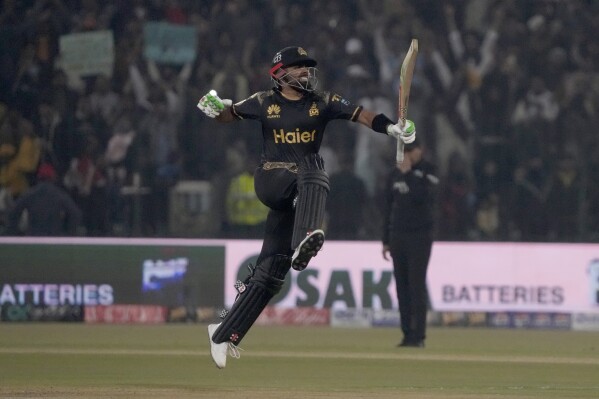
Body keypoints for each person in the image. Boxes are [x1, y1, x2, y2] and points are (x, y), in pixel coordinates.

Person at [197, 46, 416, 368]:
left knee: (272, 271)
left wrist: (392, 128)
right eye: (298, 68)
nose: (305, 73)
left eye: (307, 68)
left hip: (300, 192)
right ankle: (306, 237)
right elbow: (227, 114)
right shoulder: (263, 102)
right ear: (279, 73)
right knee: (313, 164)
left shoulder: (323, 101)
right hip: (271, 179)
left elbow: (362, 115)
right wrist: (213, 107)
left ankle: (223, 333)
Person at [382, 138, 438, 348]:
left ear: (420, 150)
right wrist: (385, 240)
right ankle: (407, 334)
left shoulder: (429, 171)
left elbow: (424, 198)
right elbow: (388, 208)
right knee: (401, 286)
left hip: (420, 236)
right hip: (398, 235)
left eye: (410, 151)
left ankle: (419, 336)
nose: (406, 155)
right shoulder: (394, 174)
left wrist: (408, 175)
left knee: (416, 284)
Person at [7, 162, 83, 236]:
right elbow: (75, 214)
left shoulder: (30, 194)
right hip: (54, 238)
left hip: (33, 238)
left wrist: (15, 232)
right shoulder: (59, 194)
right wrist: (69, 233)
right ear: (53, 177)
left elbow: (13, 211)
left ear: (39, 177)